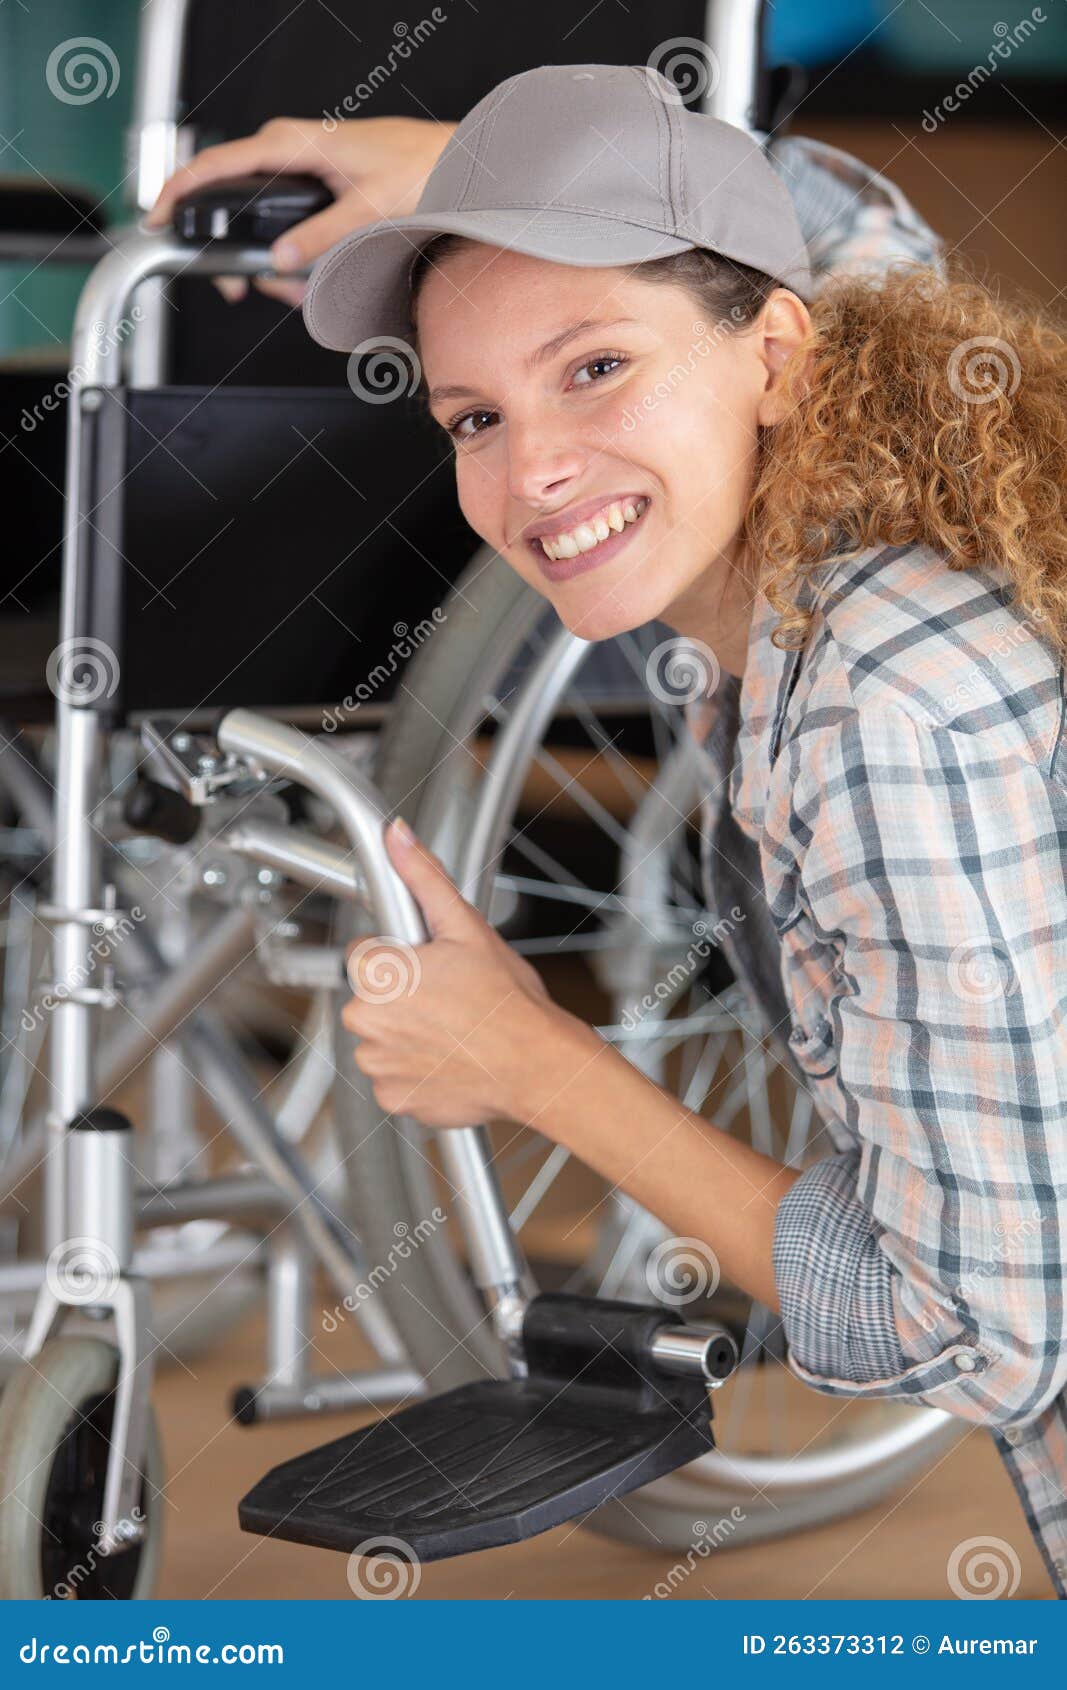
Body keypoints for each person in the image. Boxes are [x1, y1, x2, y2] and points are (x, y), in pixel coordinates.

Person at [155, 68, 1067, 1597]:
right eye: (476, 415)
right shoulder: (869, 472)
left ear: (775, 354)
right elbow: (855, 230)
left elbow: (991, 1329)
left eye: (593, 369)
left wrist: (532, 1063)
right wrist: (474, 169)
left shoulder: (878, 714)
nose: (533, 474)